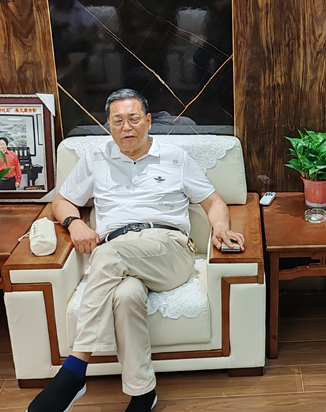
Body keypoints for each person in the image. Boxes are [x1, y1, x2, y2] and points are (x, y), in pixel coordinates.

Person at [27, 88, 245, 412]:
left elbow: (213, 201)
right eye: (117, 121)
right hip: (121, 255)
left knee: (107, 254)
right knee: (126, 295)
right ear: (108, 126)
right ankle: (143, 394)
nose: (126, 127)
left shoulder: (174, 157)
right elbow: (62, 201)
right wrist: (75, 224)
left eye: (133, 119)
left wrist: (221, 227)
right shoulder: (96, 158)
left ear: (148, 121)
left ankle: (74, 370)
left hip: (169, 249)